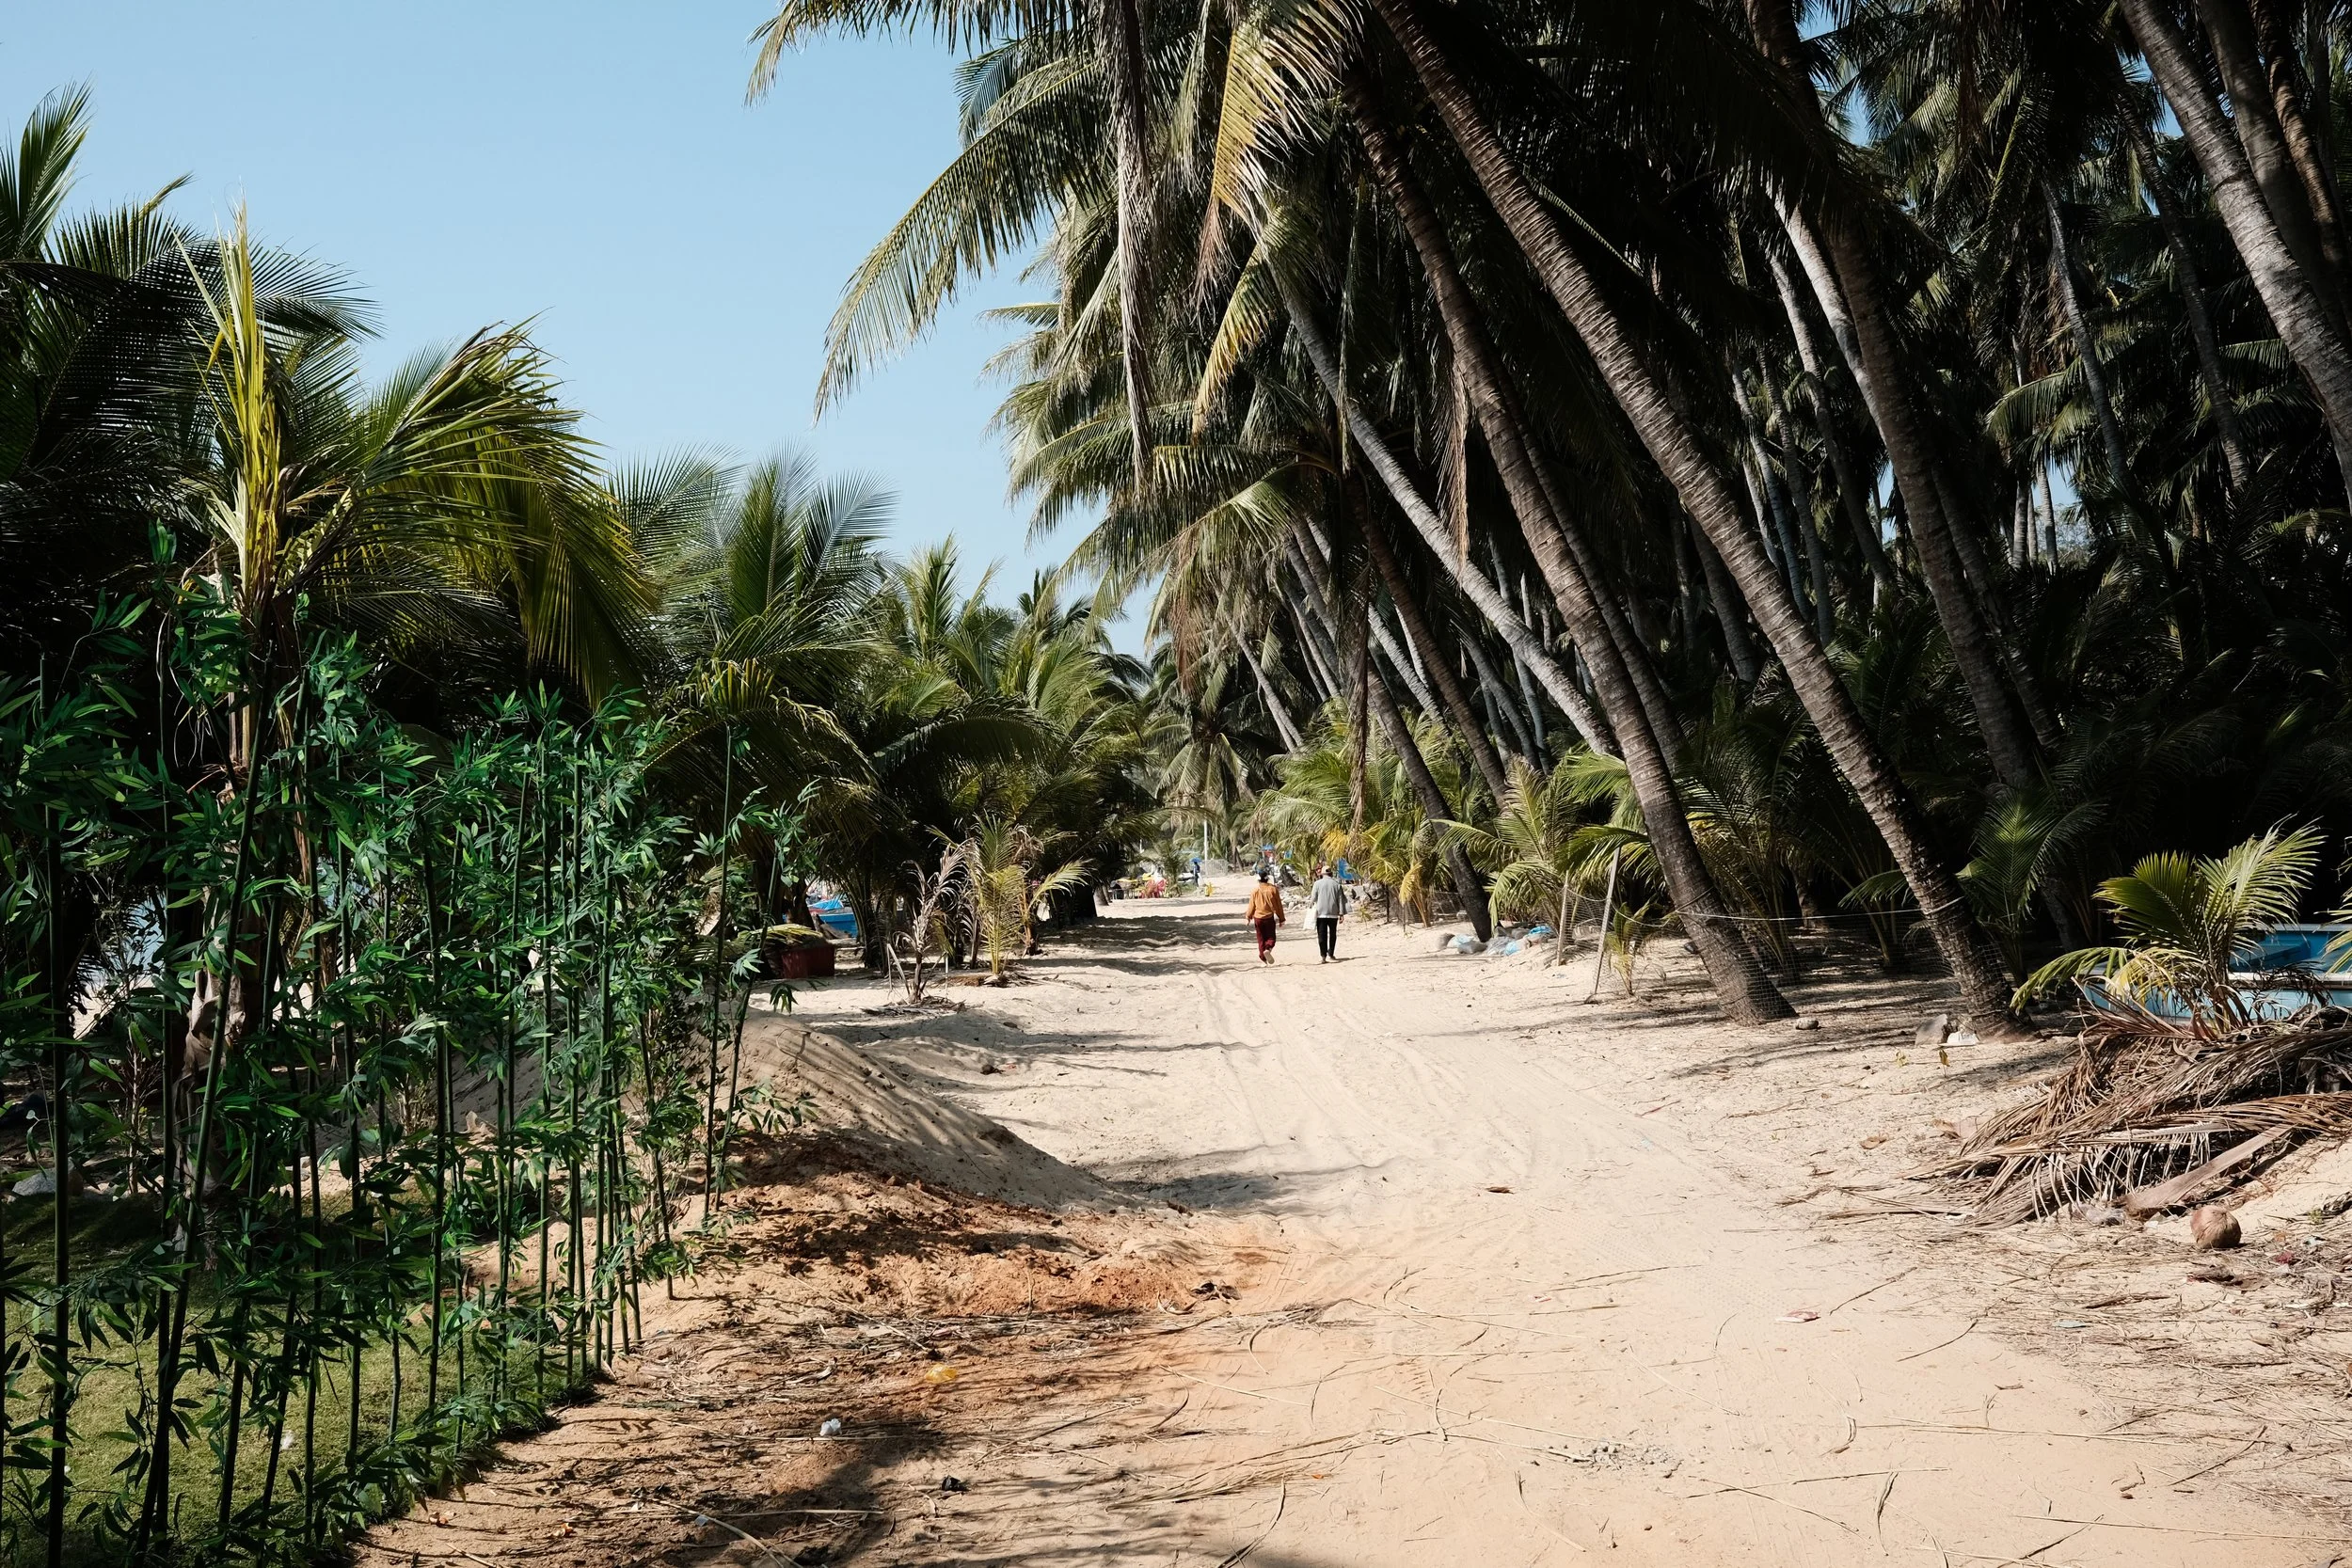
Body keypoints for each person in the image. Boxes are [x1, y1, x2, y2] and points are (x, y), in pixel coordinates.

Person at [1246, 868, 1285, 964]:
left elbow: (1251, 905)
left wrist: (1248, 917)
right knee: (1271, 937)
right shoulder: (1273, 889)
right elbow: (1278, 905)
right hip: (1269, 918)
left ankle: (1264, 959)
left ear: (1258, 880)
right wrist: (1281, 918)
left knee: (1261, 939)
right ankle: (1268, 949)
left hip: (1258, 918)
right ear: (1267, 879)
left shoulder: (1255, 891)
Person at [1309, 863, 1345, 962]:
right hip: (1333, 914)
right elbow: (1340, 900)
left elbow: (1313, 898)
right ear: (1331, 874)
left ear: (1322, 874)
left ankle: (1323, 956)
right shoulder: (1337, 885)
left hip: (1321, 913)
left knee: (1322, 935)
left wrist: (1310, 907)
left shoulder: (1317, 884)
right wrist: (1341, 913)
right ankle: (1331, 954)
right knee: (1333, 934)